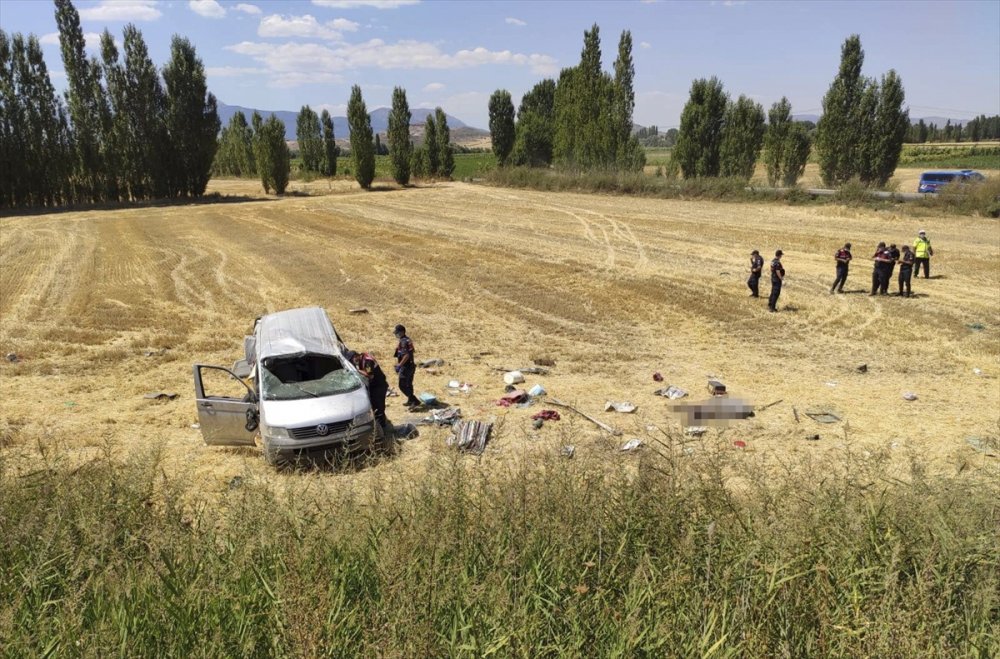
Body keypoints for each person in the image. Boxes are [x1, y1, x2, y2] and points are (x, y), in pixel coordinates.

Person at [345, 350, 388, 427]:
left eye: (352, 360)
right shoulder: (363, 358)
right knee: (375, 406)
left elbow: (370, 375)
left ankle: (382, 426)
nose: (353, 362)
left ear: (355, 356)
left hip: (379, 386)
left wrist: (357, 370)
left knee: (379, 407)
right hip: (375, 385)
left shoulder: (367, 361)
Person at [393, 324, 420, 408]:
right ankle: (410, 400)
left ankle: (414, 400)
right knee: (408, 384)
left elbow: (406, 355)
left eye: (397, 333)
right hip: (411, 366)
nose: (396, 334)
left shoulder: (404, 341)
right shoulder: (408, 340)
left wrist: (399, 366)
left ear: (402, 332)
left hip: (406, 367)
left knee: (402, 385)